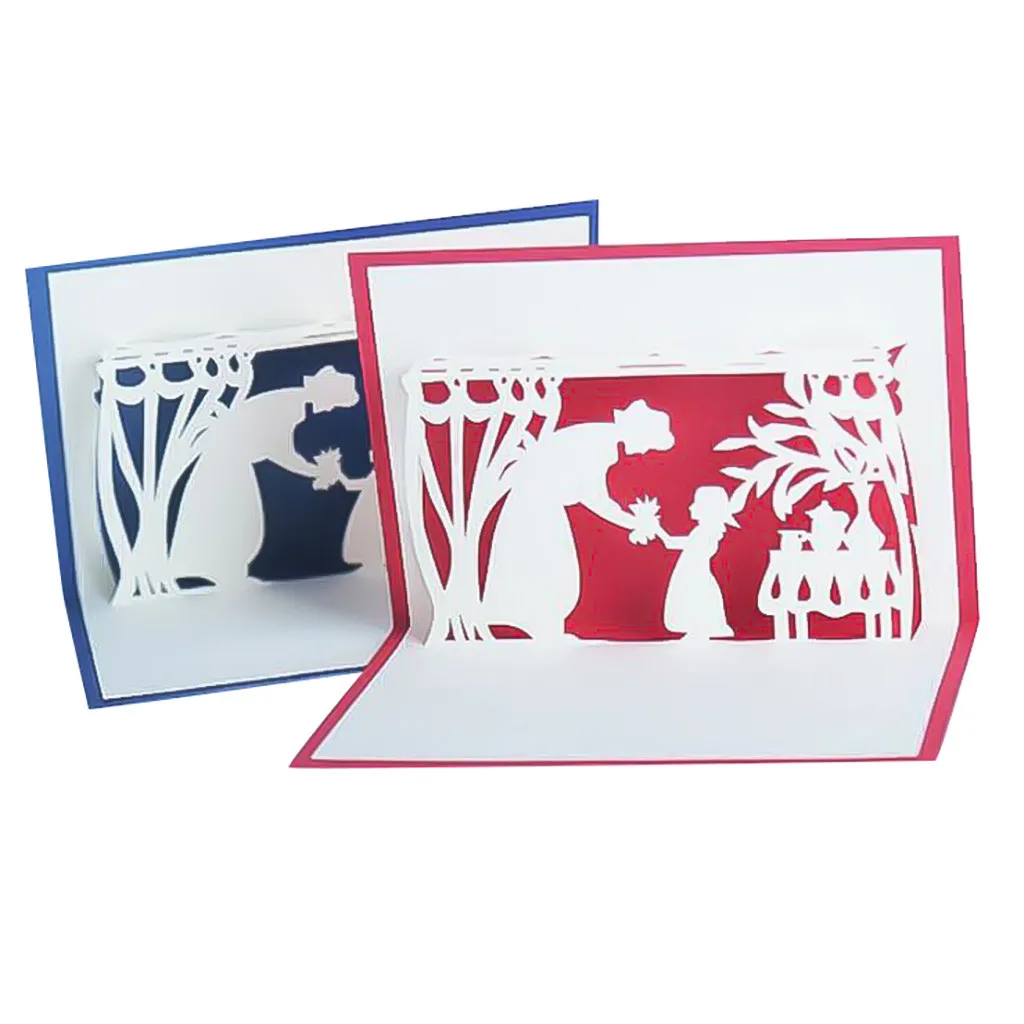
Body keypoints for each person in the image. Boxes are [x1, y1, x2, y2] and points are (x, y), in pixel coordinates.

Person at [483, 399, 674, 640]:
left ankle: (542, 625)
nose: (645, 451)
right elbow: (594, 497)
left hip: (539, 507)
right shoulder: (600, 445)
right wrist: (632, 521)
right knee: (548, 567)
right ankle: (539, 625)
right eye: (648, 444)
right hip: (536, 509)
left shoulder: (598, 436)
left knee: (547, 566)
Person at [170, 365, 360, 589]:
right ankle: (213, 570)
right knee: (232, 519)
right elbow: (279, 450)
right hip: (227, 464)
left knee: (232, 519)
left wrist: (314, 469)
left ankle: (222, 571)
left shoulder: (293, 402)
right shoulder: (291, 405)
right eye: (333, 403)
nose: (329, 409)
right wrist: (313, 470)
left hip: (233, 463)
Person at [656, 485, 738, 639]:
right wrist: (658, 529)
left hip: (696, 578)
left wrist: (657, 529)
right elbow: (671, 543)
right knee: (693, 603)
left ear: (708, 510)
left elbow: (672, 543)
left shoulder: (705, 533)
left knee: (694, 602)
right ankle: (696, 633)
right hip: (694, 575)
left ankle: (699, 632)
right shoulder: (703, 531)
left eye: (696, 503)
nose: (690, 507)